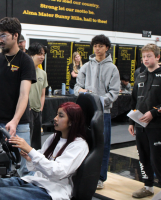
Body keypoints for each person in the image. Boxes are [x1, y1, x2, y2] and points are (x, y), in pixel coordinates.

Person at [0, 102, 89, 200]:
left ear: (71, 122)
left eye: (60, 116)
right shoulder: (54, 138)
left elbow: (58, 172)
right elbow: (40, 163)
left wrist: (30, 150)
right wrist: (29, 158)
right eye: (56, 115)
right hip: (34, 181)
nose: (55, 118)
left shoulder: (79, 145)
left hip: (52, 191)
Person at [0, 17, 36, 177]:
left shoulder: (25, 61)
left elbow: (24, 94)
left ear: (15, 36)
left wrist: (15, 120)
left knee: (23, 169)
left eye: (3, 35)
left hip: (18, 125)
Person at [74, 34, 120, 189]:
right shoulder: (86, 66)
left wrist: (96, 101)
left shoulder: (113, 69)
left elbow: (114, 93)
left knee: (103, 145)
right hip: (85, 114)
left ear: (107, 48)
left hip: (103, 114)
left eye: (100, 46)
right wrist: (84, 92)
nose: (97, 49)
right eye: (95, 46)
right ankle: (81, 173)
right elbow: (76, 88)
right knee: (83, 143)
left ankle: (100, 177)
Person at [128, 43, 161, 198]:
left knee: (157, 158)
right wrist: (131, 122)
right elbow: (134, 101)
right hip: (140, 124)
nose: (146, 59)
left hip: (157, 125)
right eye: (144, 57)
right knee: (143, 156)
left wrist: (154, 112)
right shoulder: (139, 74)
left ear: (157, 57)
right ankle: (148, 187)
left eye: (149, 56)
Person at [28, 43, 48, 150]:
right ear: (31, 54)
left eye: (43, 54)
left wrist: (40, 109)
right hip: (27, 111)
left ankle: (35, 163)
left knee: (36, 142)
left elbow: (43, 94)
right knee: (26, 140)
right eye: (39, 54)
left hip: (37, 111)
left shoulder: (43, 73)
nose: (42, 57)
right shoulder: (24, 70)